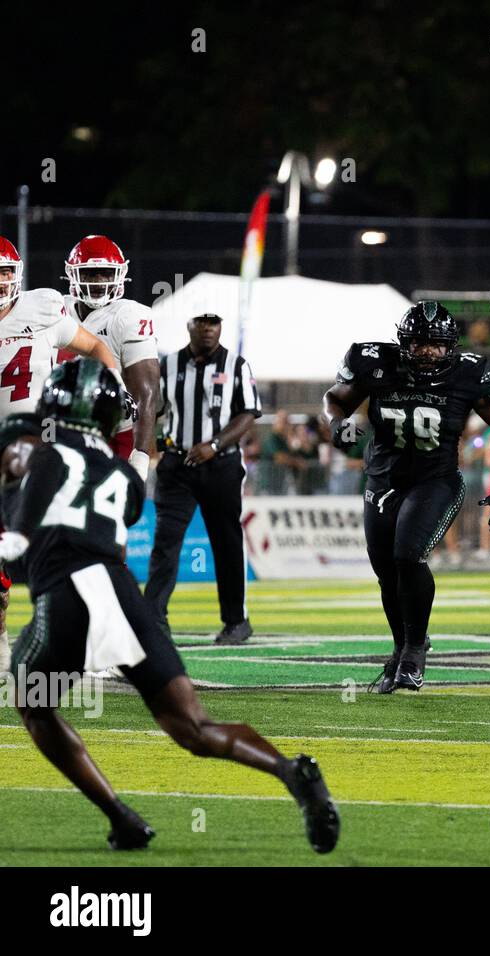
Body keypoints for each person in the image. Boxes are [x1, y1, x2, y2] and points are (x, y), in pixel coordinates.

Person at [0, 358, 338, 852]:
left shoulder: (43, 453)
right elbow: (118, 512)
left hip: (69, 592)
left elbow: (33, 497)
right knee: (194, 727)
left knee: (33, 701)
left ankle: (122, 816)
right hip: (120, 596)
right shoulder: (123, 476)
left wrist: (16, 533)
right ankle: (290, 770)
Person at [324, 301, 490, 693]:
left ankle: (416, 650)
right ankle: (401, 649)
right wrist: (336, 424)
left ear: (451, 346)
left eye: (436, 344)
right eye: (419, 343)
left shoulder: (472, 372)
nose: (428, 351)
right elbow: (335, 398)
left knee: (407, 555)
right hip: (382, 481)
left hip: (436, 481)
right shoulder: (374, 361)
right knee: (386, 574)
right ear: (404, 342)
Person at [0, 236, 120, 675]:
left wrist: (114, 388)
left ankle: (99, 645)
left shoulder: (45, 307)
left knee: (72, 547)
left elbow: (96, 347)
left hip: (45, 449)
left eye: (5, 271)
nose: (0, 281)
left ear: (18, 274)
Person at [145, 313, 261, 644]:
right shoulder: (167, 365)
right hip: (178, 466)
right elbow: (151, 409)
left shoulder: (236, 364)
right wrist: (152, 448)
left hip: (221, 466)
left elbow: (249, 412)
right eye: (201, 322)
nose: (208, 328)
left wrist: (214, 444)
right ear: (189, 325)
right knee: (165, 543)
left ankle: (236, 621)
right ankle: (153, 620)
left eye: (214, 322)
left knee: (226, 543)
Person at [61, 235, 159, 482]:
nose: (98, 281)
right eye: (90, 274)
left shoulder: (128, 315)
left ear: (119, 274)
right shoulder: (57, 310)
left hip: (114, 434)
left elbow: (146, 392)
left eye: (105, 273)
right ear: (73, 274)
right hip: (61, 431)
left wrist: (140, 455)